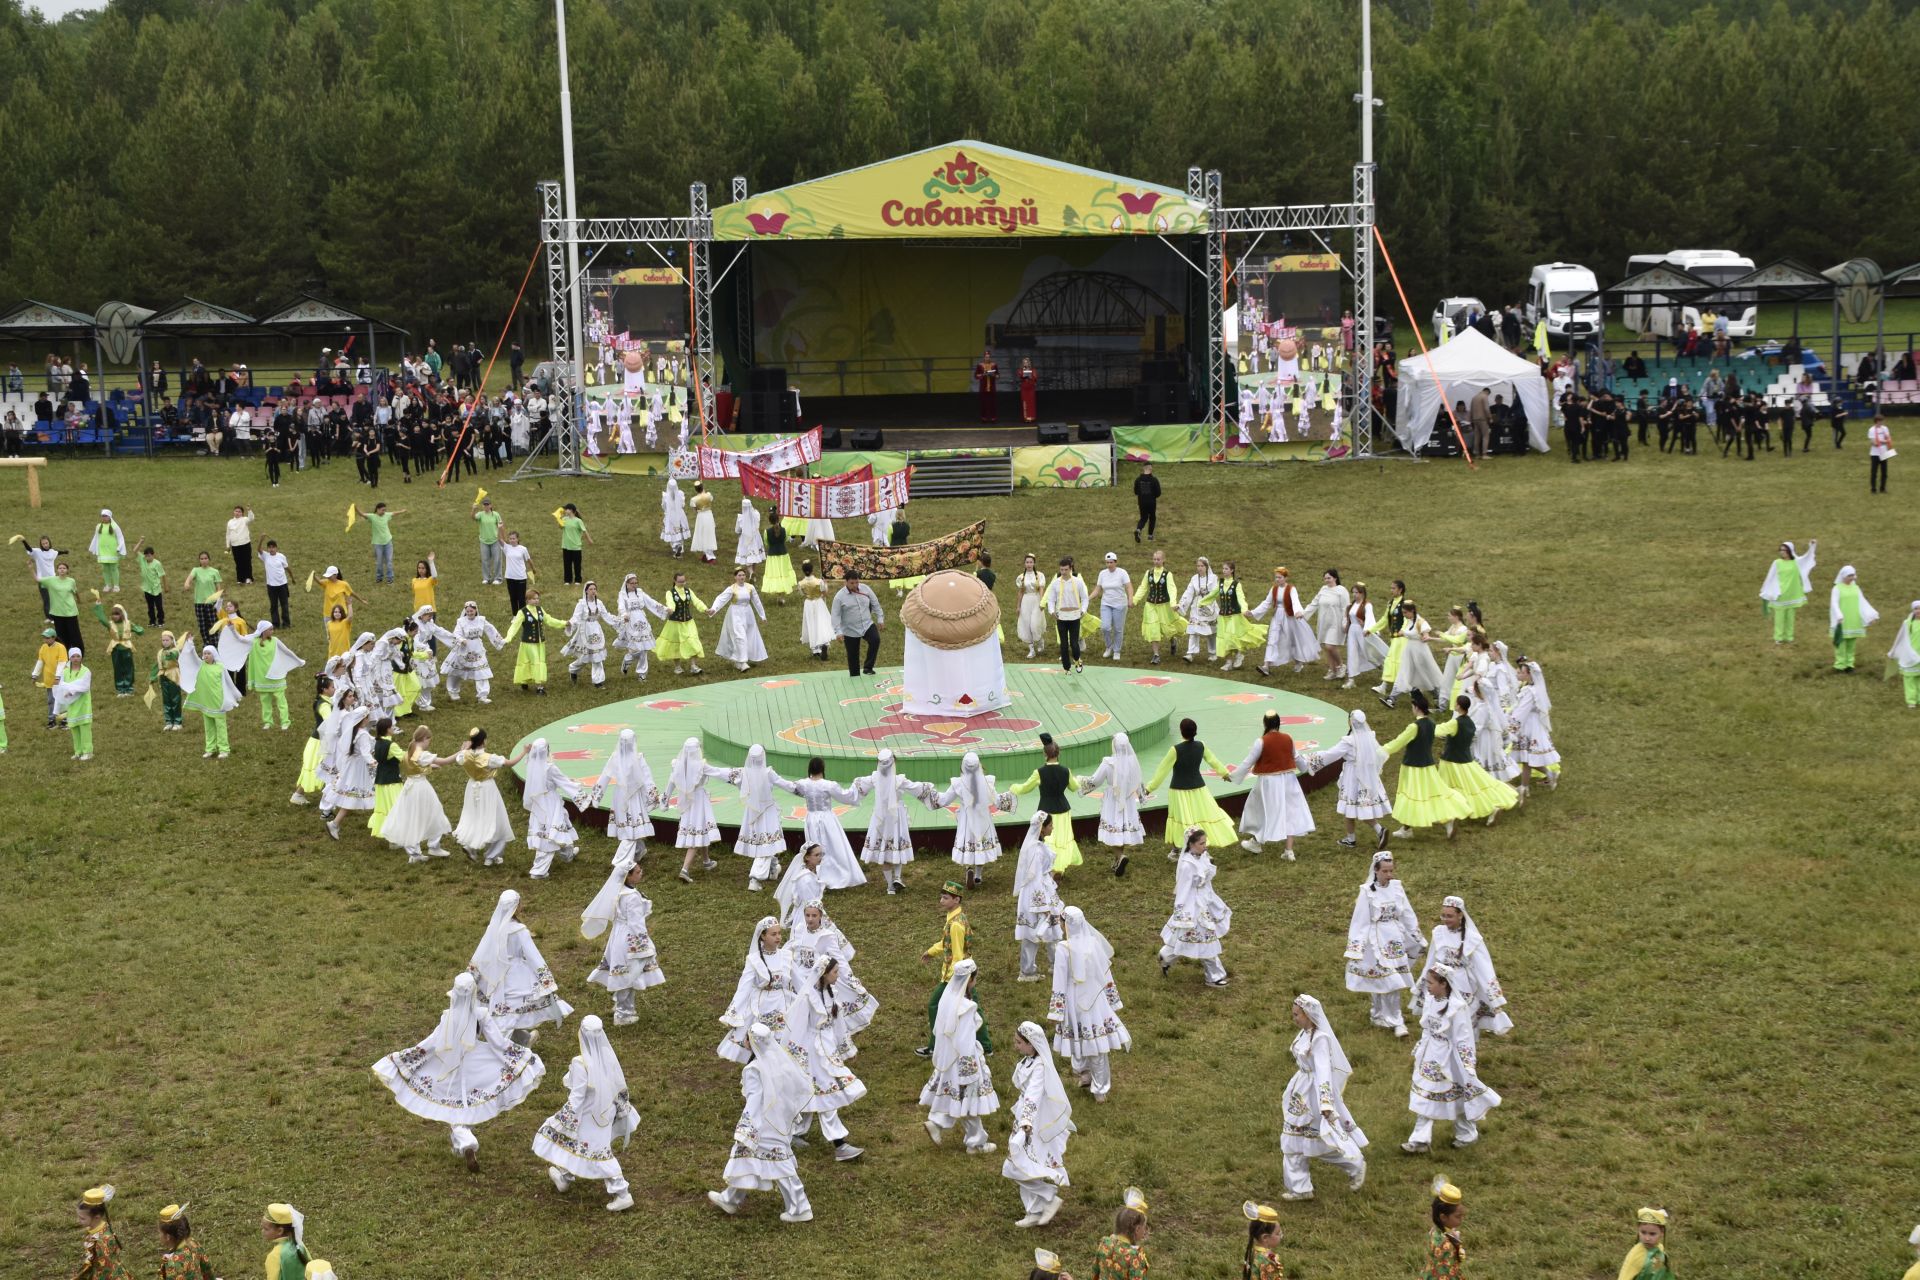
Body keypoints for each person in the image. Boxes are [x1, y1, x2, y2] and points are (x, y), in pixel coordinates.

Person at [372, 971, 546, 1169]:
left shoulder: (448, 1017)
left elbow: (431, 1043)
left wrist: (406, 1058)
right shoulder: (481, 1015)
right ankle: (463, 1141)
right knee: (466, 1103)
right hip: (477, 1064)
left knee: (454, 1106)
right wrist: (518, 1056)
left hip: (449, 1064)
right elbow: (498, 1043)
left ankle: (465, 1141)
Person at [707, 1023, 815, 1223]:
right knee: (747, 1157)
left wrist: (748, 1127)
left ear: (752, 1041)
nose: (744, 1041)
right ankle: (731, 1198)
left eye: (746, 1038)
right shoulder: (781, 1063)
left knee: (779, 1164)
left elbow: (754, 1101)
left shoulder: (754, 1069)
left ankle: (800, 1207)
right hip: (779, 1120)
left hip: (763, 1125)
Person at [533, 1015, 640, 1211]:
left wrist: (567, 1117)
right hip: (605, 1112)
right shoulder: (607, 1055)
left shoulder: (580, 1063)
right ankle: (564, 1177)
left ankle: (623, 1192)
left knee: (600, 1152)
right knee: (573, 1144)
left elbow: (577, 1095)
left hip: (587, 1115)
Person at [783, 946, 870, 1162]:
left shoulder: (832, 994)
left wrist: (846, 1049)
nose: (837, 975)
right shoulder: (808, 998)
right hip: (813, 1054)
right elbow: (797, 1025)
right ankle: (839, 1144)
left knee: (814, 1094)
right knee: (827, 1096)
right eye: (835, 972)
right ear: (824, 974)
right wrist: (793, 1054)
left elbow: (838, 1025)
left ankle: (794, 1133)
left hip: (828, 1051)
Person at [1403, 963, 1501, 1152]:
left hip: (1450, 1059)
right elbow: (1427, 1029)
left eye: (1431, 983)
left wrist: (1467, 1065)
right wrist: (1421, 1049)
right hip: (1431, 1057)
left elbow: (1464, 1038)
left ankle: (1467, 1133)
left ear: (1444, 984)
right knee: (1425, 1094)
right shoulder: (1431, 1000)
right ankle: (1420, 1140)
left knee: (1458, 1097)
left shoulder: (1458, 1008)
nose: (1428, 986)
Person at [1279, 993, 1368, 1200]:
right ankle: (1301, 1188)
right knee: (1292, 1140)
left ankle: (1355, 1164)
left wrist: (1326, 1102)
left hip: (1313, 1095)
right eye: (1293, 1014)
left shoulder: (1320, 1039)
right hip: (1300, 1093)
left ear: (1309, 1015)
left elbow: (1323, 1071)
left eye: (1297, 1015)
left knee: (1320, 1141)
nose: (1294, 1018)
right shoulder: (1303, 1034)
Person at [1049, 905, 1128, 1103]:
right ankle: (1091, 1080)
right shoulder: (1093, 943)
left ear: (1066, 924)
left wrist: (1056, 1011)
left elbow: (1058, 980)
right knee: (1093, 1040)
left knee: (1082, 1038)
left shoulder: (1063, 948)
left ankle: (1090, 1079)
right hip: (1095, 998)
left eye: (1061, 922)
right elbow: (1105, 973)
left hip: (1074, 999)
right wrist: (1112, 999)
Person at [921, 957, 1000, 1152]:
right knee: (970, 1100)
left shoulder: (947, 1000)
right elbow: (964, 1040)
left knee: (959, 1099)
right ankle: (976, 1143)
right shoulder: (965, 1007)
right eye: (975, 979)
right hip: (964, 1062)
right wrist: (970, 1070)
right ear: (970, 980)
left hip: (949, 1060)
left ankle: (938, 1123)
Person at [1002, 1019, 1073, 1226]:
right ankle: (1033, 1211)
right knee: (1025, 1166)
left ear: (1031, 1044)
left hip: (1032, 1122)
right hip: (1024, 1119)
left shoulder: (1040, 1067)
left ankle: (1049, 1196)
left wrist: (1026, 1121)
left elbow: (1033, 1095)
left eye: (1019, 1043)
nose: (1016, 1046)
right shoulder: (1028, 1061)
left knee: (1016, 1166)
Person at [1345, 852, 1423, 1036]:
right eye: (1385, 871)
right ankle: (1384, 1015)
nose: (1389, 875)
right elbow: (1360, 920)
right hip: (1375, 941)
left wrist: (1416, 934)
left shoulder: (1397, 887)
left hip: (1394, 938)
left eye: (1391, 871)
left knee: (1392, 981)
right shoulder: (1367, 891)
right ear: (1376, 871)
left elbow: (1407, 912)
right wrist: (1356, 947)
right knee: (1384, 979)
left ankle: (1393, 1018)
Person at [583, 854, 665, 1024]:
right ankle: (623, 1013)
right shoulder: (631, 896)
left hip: (618, 935)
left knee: (624, 972)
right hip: (630, 938)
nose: (641, 873)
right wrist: (644, 946)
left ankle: (621, 1006)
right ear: (628, 875)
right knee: (630, 973)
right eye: (637, 871)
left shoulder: (618, 891)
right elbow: (636, 923)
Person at [1381, 691, 1473, 840]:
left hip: (1412, 767)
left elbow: (1398, 742)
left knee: (1410, 796)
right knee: (1436, 793)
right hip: (1429, 766)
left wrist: (1381, 750)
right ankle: (1448, 819)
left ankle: (1407, 829)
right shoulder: (1431, 724)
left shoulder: (1413, 727)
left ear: (1416, 708)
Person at [1227, 711, 1313, 859]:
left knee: (1261, 809)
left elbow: (1248, 761)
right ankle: (1288, 850)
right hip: (1289, 780)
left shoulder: (1261, 741)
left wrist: (1233, 776)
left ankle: (1256, 842)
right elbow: (1297, 758)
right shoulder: (1288, 738)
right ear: (1279, 723)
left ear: (1265, 724)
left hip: (1269, 782)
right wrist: (1307, 768)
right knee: (1290, 812)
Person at [1143, 717, 1237, 852]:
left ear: (1181, 731)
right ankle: (1197, 846)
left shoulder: (1175, 750)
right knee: (1200, 816)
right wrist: (1225, 773)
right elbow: (1213, 761)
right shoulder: (1201, 746)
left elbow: (1161, 771)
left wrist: (1149, 788)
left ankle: (1177, 849)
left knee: (1181, 818)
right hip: (1199, 789)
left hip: (1178, 790)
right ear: (1195, 732)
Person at [775, 760, 867, 892]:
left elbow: (789, 786)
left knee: (814, 846)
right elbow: (846, 796)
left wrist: (775, 778)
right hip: (827, 818)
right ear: (822, 768)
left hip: (811, 819)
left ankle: (818, 875)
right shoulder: (829, 785)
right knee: (833, 846)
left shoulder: (804, 784)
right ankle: (835, 874)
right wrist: (859, 787)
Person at [1159, 826, 1232, 986]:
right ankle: (1214, 976)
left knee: (1187, 938)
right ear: (1191, 844)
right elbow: (1183, 891)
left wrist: (1213, 901)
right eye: (1201, 843)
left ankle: (1166, 955)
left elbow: (1207, 882)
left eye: (1205, 842)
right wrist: (1182, 913)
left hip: (1205, 902)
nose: (1205, 846)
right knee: (1206, 941)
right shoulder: (1187, 865)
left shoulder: (1202, 856)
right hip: (1193, 908)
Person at [719, 916, 793, 1063]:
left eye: (779, 933)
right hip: (762, 1004)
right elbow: (744, 987)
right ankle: (758, 1068)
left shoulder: (786, 956)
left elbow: (797, 979)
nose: (778, 937)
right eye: (773, 934)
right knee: (761, 1039)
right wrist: (733, 1013)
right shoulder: (754, 960)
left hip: (782, 1002)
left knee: (783, 1038)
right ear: (763, 936)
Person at [856, 748, 930, 891]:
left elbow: (859, 787)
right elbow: (916, 788)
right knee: (897, 844)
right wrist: (930, 792)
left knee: (884, 849)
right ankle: (897, 877)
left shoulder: (874, 778)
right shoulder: (899, 780)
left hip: (880, 817)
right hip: (896, 817)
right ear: (893, 763)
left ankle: (890, 886)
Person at [452, 728, 528, 866]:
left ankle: (471, 845)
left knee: (475, 816)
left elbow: (459, 757)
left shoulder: (464, 755)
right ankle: (491, 856)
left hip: (472, 787)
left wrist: (464, 748)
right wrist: (524, 752)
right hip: (488, 789)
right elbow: (510, 763)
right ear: (483, 741)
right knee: (498, 820)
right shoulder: (489, 758)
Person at [1009, 733, 1082, 871]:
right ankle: (1060, 868)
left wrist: (1013, 788)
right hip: (1063, 809)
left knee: (1047, 840)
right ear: (1058, 753)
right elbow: (1074, 787)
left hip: (1045, 811)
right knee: (1061, 839)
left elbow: (1025, 788)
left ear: (1045, 754)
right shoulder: (1066, 771)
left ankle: (1049, 868)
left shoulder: (1039, 772)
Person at [584, 728, 657, 861]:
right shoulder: (637, 758)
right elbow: (647, 779)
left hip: (622, 794)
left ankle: (636, 851)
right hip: (633, 795)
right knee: (632, 821)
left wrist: (596, 796)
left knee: (630, 822)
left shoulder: (617, 757)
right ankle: (637, 850)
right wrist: (653, 797)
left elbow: (604, 777)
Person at [383, 725, 453, 863]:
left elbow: (414, 765)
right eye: (429, 740)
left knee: (412, 817)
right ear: (425, 738)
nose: (429, 743)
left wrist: (429, 767)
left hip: (410, 787)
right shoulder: (421, 753)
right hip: (420, 788)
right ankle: (432, 846)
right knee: (433, 812)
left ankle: (415, 853)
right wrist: (461, 753)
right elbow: (445, 761)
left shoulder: (410, 750)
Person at [918, 879, 972, 1054]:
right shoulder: (954, 918)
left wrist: (951, 979)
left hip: (956, 975)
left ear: (956, 900)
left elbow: (957, 954)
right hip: (965, 973)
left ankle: (935, 1047)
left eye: (945, 898)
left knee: (934, 1005)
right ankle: (986, 1046)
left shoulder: (956, 924)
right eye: (941, 897)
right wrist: (931, 952)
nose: (941, 901)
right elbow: (945, 942)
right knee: (973, 1006)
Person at [667, 737, 731, 883]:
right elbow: (719, 772)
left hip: (686, 802)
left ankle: (706, 860)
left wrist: (665, 799)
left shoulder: (677, 764)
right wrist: (739, 774)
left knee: (701, 829)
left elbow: (671, 782)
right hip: (699, 801)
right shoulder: (701, 766)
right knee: (696, 834)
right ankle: (685, 869)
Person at [1081, 732, 1145, 876]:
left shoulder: (1108, 763)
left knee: (1112, 829)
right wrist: (1141, 796)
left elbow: (1095, 780)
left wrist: (1080, 783)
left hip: (1113, 799)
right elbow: (1137, 780)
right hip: (1127, 799)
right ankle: (1118, 860)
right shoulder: (1132, 761)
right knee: (1120, 829)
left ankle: (1120, 856)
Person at [521, 737, 585, 878]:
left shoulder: (531, 764)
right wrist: (582, 796)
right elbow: (564, 782)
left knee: (561, 825)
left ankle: (567, 854)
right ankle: (539, 870)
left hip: (538, 802)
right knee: (550, 833)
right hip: (550, 803)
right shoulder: (550, 768)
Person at [1012, 814, 1066, 981]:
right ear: (1042, 828)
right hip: (1036, 895)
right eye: (1051, 825)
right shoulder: (1035, 850)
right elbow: (1033, 877)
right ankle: (1028, 971)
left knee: (1053, 929)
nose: (1053, 828)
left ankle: (1056, 964)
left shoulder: (1036, 846)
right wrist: (1042, 906)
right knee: (1033, 932)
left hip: (1043, 890)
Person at [732, 744, 788, 890]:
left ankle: (772, 869)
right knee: (765, 843)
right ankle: (755, 878)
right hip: (767, 812)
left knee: (769, 841)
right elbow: (784, 784)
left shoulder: (744, 773)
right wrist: (801, 788)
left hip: (752, 812)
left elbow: (734, 781)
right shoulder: (768, 773)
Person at [1508, 658, 1558, 797]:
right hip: (1530, 724)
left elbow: (1521, 712)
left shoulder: (1531, 692)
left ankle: (1524, 787)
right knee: (1528, 758)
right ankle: (1547, 775)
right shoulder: (1530, 688)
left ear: (1530, 674)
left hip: (1529, 726)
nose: (1521, 674)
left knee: (1527, 758)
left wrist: (1511, 726)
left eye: (1523, 672)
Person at [1202, 560, 1265, 671]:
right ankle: (1228, 662)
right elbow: (1212, 595)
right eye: (1223, 569)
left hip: (1234, 617)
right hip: (1223, 617)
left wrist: (1244, 610)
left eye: (1226, 569)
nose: (1224, 571)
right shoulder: (1220, 583)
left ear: (1232, 570)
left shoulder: (1236, 585)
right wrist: (1201, 603)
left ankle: (1240, 655)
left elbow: (1241, 598)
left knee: (1232, 639)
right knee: (1223, 640)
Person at [1130, 549, 1184, 666]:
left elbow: (1172, 589)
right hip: (1150, 606)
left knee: (1167, 629)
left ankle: (1173, 640)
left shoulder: (1168, 574)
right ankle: (1156, 655)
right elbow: (1143, 587)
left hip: (1164, 606)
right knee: (1154, 629)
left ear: (1163, 560)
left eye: (1158, 559)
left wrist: (1173, 603)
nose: (1156, 561)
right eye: (1154, 559)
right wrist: (1135, 600)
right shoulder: (1148, 573)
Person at [444, 601, 504, 704]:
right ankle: (453, 692)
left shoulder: (481, 620)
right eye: (467, 611)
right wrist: (461, 639)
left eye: (471, 611)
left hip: (477, 648)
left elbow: (490, 629)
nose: (469, 613)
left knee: (481, 671)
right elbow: (456, 633)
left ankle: (483, 695)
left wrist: (499, 641)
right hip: (463, 648)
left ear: (476, 610)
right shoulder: (461, 621)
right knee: (456, 671)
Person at [1759, 539, 1818, 644]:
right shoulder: (1777, 563)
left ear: (1790, 551)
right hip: (1780, 594)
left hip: (1792, 595)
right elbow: (1770, 577)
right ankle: (1778, 638)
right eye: (1781, 550)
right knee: (1779, 618)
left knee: (1790, 618)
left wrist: (1812, 546)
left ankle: (1789, 637)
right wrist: (1765, 591)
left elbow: (1807, 559)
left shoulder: (1796, 562)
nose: (1782, 552)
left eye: (1785, 550)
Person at [711, 568, 769, 672]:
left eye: (743, 575)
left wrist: (762, 615)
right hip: (735, 614)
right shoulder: (732, 588)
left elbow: (757, 601)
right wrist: (713, 609)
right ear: (735, 577)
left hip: (748, 614)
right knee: (739, 636)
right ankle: (743, 662)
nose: (742, 577)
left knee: (748, 636)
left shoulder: (750, 587)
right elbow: (721, 599)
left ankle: (738, 661)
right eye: (739, 575)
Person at [831, 569, 884, 677]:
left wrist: (880, 619)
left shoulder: (866, 589)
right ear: (845, 582)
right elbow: (835, 615)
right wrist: (838, 632)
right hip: (850, 630)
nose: (855, 585)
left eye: (856, 582)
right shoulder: (839, 597)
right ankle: (855, 677)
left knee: (875, 640)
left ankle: (868, 668)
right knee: (853, 656)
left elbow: (875, 603)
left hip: (867, 624)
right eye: (851, 583)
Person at [72, 1183, 128, 1280]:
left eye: (82, 1218)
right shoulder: (101, 1227)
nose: (78, 1221)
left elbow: (106, 1265)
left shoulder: (101, 1241)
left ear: (97, 1217)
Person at [562, 581, 614, 687]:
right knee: (585, 657)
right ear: (586, 591)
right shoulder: (581, 604)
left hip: (596, 630)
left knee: (597, 655)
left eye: (595, 589)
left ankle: (598, 681)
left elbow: (606, 615)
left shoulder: (599, 603)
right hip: (584, 631)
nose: (593, 591)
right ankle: (573, 669)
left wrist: (619, 620)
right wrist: (570, 623)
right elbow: (576, 617)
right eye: (591, 589)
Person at [1829, 565, 1878, 673]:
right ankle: (1840, 665)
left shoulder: (1856, 588)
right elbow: (1834, 603)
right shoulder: (1837, 588)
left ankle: (1849, 665)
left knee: (1851, 643)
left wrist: (1871, 616)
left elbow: (1863, 602)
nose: (1852, 578)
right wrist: (1839, 615)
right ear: (1844, 576)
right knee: (1841, 643)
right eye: (1849, 575)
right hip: (1842, 620)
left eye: (1853, 575)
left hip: (1854, 620)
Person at [1093, 1190, 1151, 1280]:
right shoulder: (1134, 1256)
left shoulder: (1105, 1243)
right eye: (1144, 1227)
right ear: (1137, 1229)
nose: (1145, 1230)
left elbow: (1095, 1271)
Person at [1419, 1177, 1465, 1280]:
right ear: (1443, 1217)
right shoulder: (1446, 1245)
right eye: (1458, 1216)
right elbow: (1446, 1273)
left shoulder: (1435, 1230)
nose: (1461, 1219)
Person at [157, 1201, 214, 1280]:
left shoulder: (172, 1263)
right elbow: (207, 1271)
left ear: (168, 1236)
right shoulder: (193, 1243)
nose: (159, 1236)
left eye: (160, 1233)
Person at [1092, 553, 1131, 661]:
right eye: (1107, 562)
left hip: (1120, 604)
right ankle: (1109, 647)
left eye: (1111, 562)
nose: (1109, 565)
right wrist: (1088, 598)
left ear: (1116, 562)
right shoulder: (1102, 574)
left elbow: (1129, 586)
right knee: (1105, 627)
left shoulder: (1122, 573)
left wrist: (1130, 599)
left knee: (1118, 629)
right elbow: (1098, 588)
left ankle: (1117, 651)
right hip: (1106, 604)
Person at [42, 558, 84, 653]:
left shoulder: (71, 581)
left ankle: (78, 651)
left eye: (64, 568)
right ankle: (63, 650)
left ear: (67, 570)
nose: (62, 569)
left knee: (74, 633)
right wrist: (31, 568)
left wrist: (79, 600)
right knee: (61, 634)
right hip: (57, 612)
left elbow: (75, 591)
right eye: (60, 568)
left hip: (70, 612)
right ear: (57, 570)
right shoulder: (51, 580)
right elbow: (37, 579)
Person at [1619, 1207, 1674, 1280]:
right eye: (1643, 1232)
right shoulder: (1635, 1256)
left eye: (1652, 1234)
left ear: (1662, 1233)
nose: (1647, 1238)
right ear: (1638, 1230)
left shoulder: (1660, 1248)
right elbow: (1624, 1277)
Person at [1014, 553, 1049, 659]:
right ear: (1024, 564)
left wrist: (1042, 602)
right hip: (1026, 601)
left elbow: (1042, 589)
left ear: (1034, 563)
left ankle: (1040, 640)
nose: (1029, 564)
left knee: (1035, 624)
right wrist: (1018, 606)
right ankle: (1031, 649)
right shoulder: (1021, 577)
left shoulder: (1039, 575)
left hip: (1036, 600)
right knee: (1026, 624)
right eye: (1027, 562)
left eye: (1031, 562)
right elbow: (1020, 592)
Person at [797, 560, 834, 658]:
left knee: (811, 624)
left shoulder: (800, 583)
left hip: (808, 604)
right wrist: (825, 584)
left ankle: (815, 650)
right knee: (821, 622)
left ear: (803, 571)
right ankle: (824, 643)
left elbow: (802, 594)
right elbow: (825, 593)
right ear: (812, 570)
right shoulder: (819, 581)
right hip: (818, 603)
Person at [1887, 599, 1920, 710]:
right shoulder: (1907, 623)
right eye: (1916, 608)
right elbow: (1900, 637)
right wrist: (1893, 651)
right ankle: (1911, 701)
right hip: (1910, 656)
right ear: (1913, 610)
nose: (1918, 611)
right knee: (1909, 679)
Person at [1241, 1201, 1285, 1279]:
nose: (1281, 1235)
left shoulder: (1254, 1251)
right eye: (1278, 1233)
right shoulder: (1267, 1261)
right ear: (1265, 1238)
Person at [88, 508, 128, 594]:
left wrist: (119, 548)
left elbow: (120, 538)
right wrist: (94, 548)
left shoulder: (115, 526)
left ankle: (116, 585)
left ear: (109, 517)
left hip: (113, 551)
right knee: (105, 568)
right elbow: (96, 538)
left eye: (105, 516)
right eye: (102, 516)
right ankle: (108, 585)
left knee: (113, 568)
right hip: (103, 551)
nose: (104, 518)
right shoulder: (98, 526)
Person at [761, 507, 797, 600]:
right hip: (783, 554)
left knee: (775, 574)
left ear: (770, 521)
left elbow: (766, 542)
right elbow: (785, 539)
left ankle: (779, 595)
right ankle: (781, 596)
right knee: (783, 573)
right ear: (778, 519)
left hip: (772, 555)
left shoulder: (766, 532)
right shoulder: (784, 530)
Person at [733, 497, 767, 582]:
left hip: (745, 539)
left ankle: (751, 572)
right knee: (754, 555)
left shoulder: (741, 518)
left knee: (747, 557)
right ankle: (753, 573)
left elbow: (737, 530)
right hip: (755, 538)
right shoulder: (756, 514)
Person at [558, 503, 593, 583]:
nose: (565, 510)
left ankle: (578, 580)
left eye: (567, 509)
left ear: (571, 510)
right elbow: (560, 527)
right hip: (566, 546)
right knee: (567, 564)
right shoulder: (564, 519)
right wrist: (559, 519)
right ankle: (567, 580)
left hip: (576, 546)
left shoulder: (578, 521)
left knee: (577, 565)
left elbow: (584, 531)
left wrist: (589, 540)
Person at [474, 495, 505, 583]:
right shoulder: (480, 514)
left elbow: (501, 526)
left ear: (491, 505)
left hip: (495, 540)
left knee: (497, 560)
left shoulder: (496, 514)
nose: (486, 506)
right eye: (484, 504)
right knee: (485, 560)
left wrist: (503, 539)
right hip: (483, 541)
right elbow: (472, 517)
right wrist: (473, 509)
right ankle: (486, 578)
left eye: (487, 504)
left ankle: (498, 578)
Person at [500, 531, 533, 614]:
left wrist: (533, 569)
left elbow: (528, 560)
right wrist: (500, 528)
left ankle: (522, 615)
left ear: (518, 539)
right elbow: (499, 538)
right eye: (510, 539)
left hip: (521, 577)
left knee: (521, 598)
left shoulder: (523, 549)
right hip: (510, 577)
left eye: (514, 538)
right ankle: (515, 615)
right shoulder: (506, 547)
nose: (512, 540)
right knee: (513, 598)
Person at [660, 477, 691, 556]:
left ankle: (675, 546)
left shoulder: (666, 496)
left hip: (670, 515)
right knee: (679, 530)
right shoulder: (680, 493)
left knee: (671, 530)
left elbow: (664, 506)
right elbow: (683, 504)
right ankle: (680, 546)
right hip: (680, 514)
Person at [224, 505, 255, 582]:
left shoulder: (244, 519)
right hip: (235, 545)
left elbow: (251, 518)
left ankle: (248, 578)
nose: (237, 513)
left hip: (245, 544)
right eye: (236, 511)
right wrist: (228, 546)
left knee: (247, 561)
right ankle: (240, 579)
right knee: (238, 562)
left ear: (242, 513)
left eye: (239, 511)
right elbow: (228, 535)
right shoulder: (230, 522)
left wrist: (249, 510)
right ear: (233, 512)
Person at [689, 482, 718, 563]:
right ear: (702, 487)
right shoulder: (708, 495)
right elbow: (711, 499)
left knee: (702, 533)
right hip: (709, 515)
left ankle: (709, 556)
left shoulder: (693, 499)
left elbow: (695, 509)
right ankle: (707, 554)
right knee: (709, 533)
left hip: (701, 516)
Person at [138, 545, 166, 626]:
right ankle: (152, 621)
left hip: (156, 589)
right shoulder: (143, 561)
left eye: (149, 555)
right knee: (150, 607)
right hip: (147, 589)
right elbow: (135, 550)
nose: (147, 557)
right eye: (146, 556)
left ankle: (161, 621)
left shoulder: (157, 564)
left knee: (159, 607)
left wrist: (165, 586)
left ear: (153, 555)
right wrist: (141, 542)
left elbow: (163, 575)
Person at [1132, 463, 1160, 542]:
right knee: (1152, 518)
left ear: (1143, 469)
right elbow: (1158, 493)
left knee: (1143, 518)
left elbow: (1136, 492)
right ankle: (1150, 536)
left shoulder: (1138, 480)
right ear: (1151, 469)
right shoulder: (1154, 480)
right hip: (1151, 502)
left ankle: (1138, 530)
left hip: (1142, 502)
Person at [1869, 415, 1894, 493]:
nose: (1881, 422)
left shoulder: (1885, 428)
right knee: (1874, 472)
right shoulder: (1872, 430)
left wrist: (1885, 441)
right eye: (1880, 421)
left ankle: (1882, 488)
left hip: (1884, 453)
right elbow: (1874, 443)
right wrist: (1885, 441)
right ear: (1876, 421)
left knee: (1884, 473)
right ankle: (1873, 489)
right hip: (1875, 454)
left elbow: (1888, 438)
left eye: (1882, 421)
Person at [974, 348, 1000, 422]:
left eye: (988, 357)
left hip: (992, 387)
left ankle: (993, 417)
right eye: (986, 357)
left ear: (990, 357)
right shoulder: (980, 365)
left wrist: (993, 375)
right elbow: (976, 376)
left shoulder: (994, 365)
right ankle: (984, 417)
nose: (987, 358)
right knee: (983, 403)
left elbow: (998, 375)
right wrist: (983, 374)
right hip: (983, 387)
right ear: (984, 357)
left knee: (993, 403)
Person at [1018, 357, 1039, 422]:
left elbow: (1035, 378)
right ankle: (1025, 417)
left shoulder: (1033, 370)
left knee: (1031, 402)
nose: (1025, 363)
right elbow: (1020, 376)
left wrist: (1031, 376)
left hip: (1031, 387)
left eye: (1026, 362)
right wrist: (1024, 373)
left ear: (1029, 363)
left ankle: (1032, 417)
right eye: (1024, 362)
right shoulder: (1020, 370)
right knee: (1025, 402)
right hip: (1024, 388)